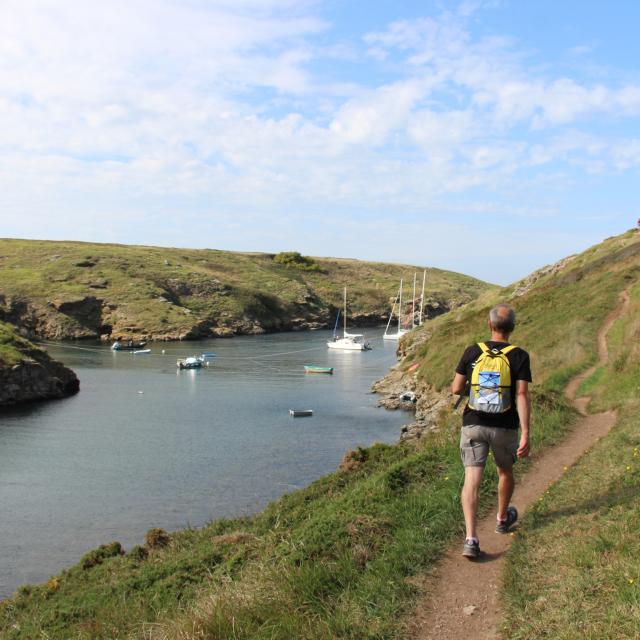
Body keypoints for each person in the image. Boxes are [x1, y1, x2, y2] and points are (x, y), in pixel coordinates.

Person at [451, 303, 532, 559]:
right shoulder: (519, 356)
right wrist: (526, 432)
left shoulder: (473, 351)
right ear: (513, 328)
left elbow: (455, 388)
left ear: (490, 325)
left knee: (472, 479)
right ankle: (501, 518)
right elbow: (521, 394)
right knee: (504, 471)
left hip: (473, 424)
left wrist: (477, 391)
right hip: (504, 427)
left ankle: (471, 539)